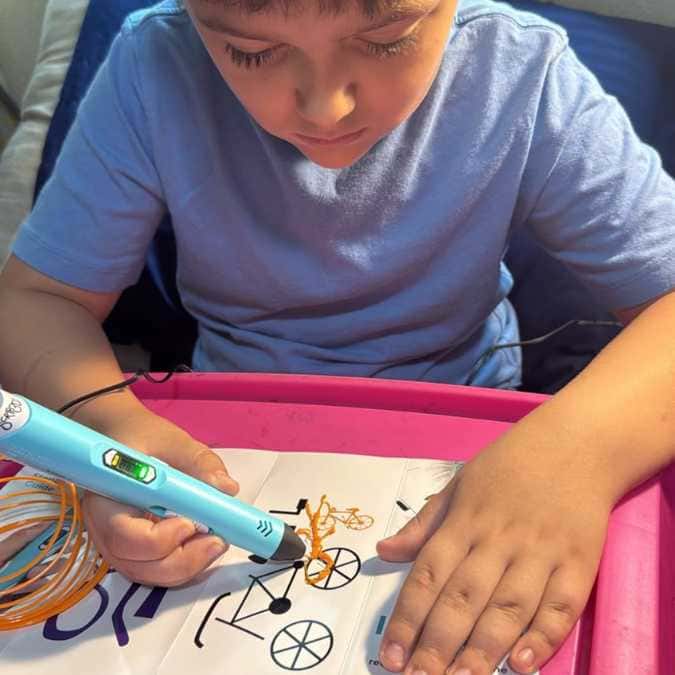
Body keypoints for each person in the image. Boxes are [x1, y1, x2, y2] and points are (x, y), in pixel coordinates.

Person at [0, 0, 673, 672]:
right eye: (251, 52)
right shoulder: (153, 66)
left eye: (387, 41)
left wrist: (573, 453)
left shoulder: (521, 71)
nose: (326, 109)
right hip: (228, 446)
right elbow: (36, 299)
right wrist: (107, 424)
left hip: (475, 440)